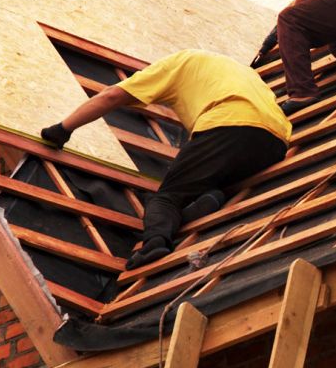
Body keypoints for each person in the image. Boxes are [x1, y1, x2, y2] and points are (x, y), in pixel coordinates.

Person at [40, 49, 291, 270]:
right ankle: (209, 199)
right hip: (276, 141)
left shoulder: (175, 64)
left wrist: (62, 129)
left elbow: (111, 96)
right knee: (206, 180)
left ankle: (154, 243)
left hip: (229, 123)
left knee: (165, 198)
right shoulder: (234, 71)